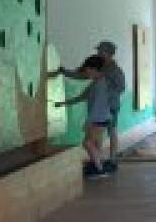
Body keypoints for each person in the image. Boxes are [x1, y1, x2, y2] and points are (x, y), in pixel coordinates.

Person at [51, 39, 126, 169]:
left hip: (110, 107)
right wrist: (64, 72)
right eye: (98, 51)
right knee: (96, 138)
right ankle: (98, 161)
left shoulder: (115, 70)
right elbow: (82, 75)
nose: (98, 53)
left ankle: (111, 160)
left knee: (110, 131)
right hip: (99, 111)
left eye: (101, 51)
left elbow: (121, 88)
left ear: (109, 53)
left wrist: (105, 96)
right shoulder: (98, 67)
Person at [53, 54, 113, 179]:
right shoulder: (97, 82)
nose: (86, 74)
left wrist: (89, 122)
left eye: (87, 70)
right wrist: (63, 103)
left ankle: (99, 170)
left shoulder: (99, 85)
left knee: (87, 143)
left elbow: (97, 106)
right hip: (103, 119)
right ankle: (99, 165)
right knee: (96, 144)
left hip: (98, 120)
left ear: (94, 69)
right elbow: (82, 96)